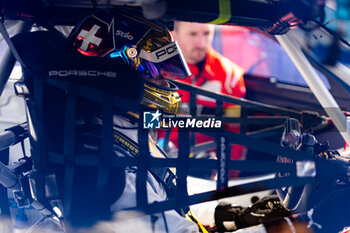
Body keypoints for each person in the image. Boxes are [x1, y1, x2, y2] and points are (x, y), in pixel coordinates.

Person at [11, 8, 307, 233]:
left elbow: (190, 199)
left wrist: (276, 203)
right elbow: (181, 224)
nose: (166, 84)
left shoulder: (121, 133)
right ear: (121, 74)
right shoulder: (104, 163)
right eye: (157, 72)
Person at [158, 21, 247, 178]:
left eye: (206, 34)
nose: (201, 43)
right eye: (192, 34)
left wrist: (224, 173)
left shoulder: (230, 77)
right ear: (173, 34)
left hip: (209, 173)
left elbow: (236, 133)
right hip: (161, 165)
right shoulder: (155, 70)